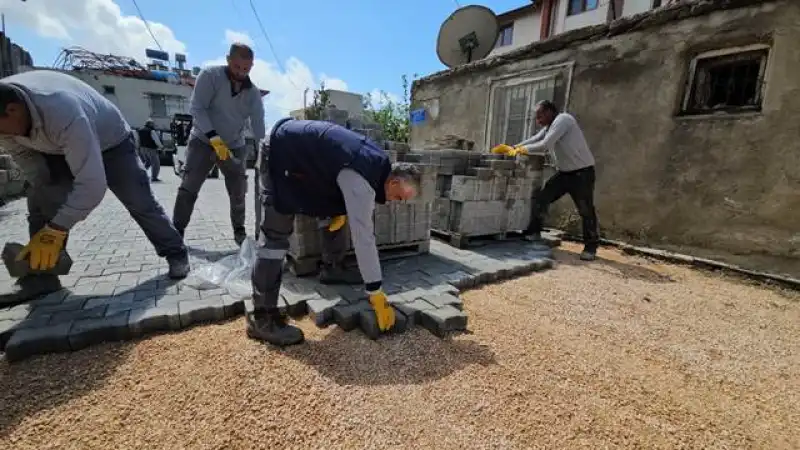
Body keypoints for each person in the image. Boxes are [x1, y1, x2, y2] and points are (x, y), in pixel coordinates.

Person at [0, 70, 190, 306]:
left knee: (139, 200)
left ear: (12, 110)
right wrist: (46, 198)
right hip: (53, 147)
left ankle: (175, 252)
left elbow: (92, 185)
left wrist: (58, 227)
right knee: (42, 200)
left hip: (112, 142)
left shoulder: (62, 110)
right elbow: (27, 159)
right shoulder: (7, 115)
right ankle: (41, 276)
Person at [249, 117, 422, 346]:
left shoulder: (378, 164)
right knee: (275, 240)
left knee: (324, 218)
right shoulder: (363, 181)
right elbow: (364, 239)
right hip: (281, 152)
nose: (395, 202)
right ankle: (261, 318)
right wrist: (375, 291)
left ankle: (331, 271)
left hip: (296, 151)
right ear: (393, 182)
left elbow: (336, 170)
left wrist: (338, 208)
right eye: (399, 197)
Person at [172, 42, 265, 246]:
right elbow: (197, 109)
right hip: (203, 141)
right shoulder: (210, 76)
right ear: (228, 60)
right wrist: (216, 141)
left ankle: (239, 233)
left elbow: (258, 125)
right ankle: (176, 232)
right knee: (189, 186)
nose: (241, 72)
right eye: (237, 67)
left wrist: (263, 153)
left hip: (234, 145)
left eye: (246, 69)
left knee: (239, 190)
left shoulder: (253, 94)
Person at [514, 100, 599, 261]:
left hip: (582, 174)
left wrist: (521, 150)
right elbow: (535, 139)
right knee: (542, 198)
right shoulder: (549, 127)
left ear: (549, 112)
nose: (538, 121)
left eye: (540, 117)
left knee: (585, 210)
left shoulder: (563, 120)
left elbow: (545, 145)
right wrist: (512, 147)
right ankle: (534, 232)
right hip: (564, 174)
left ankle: (591, 247)